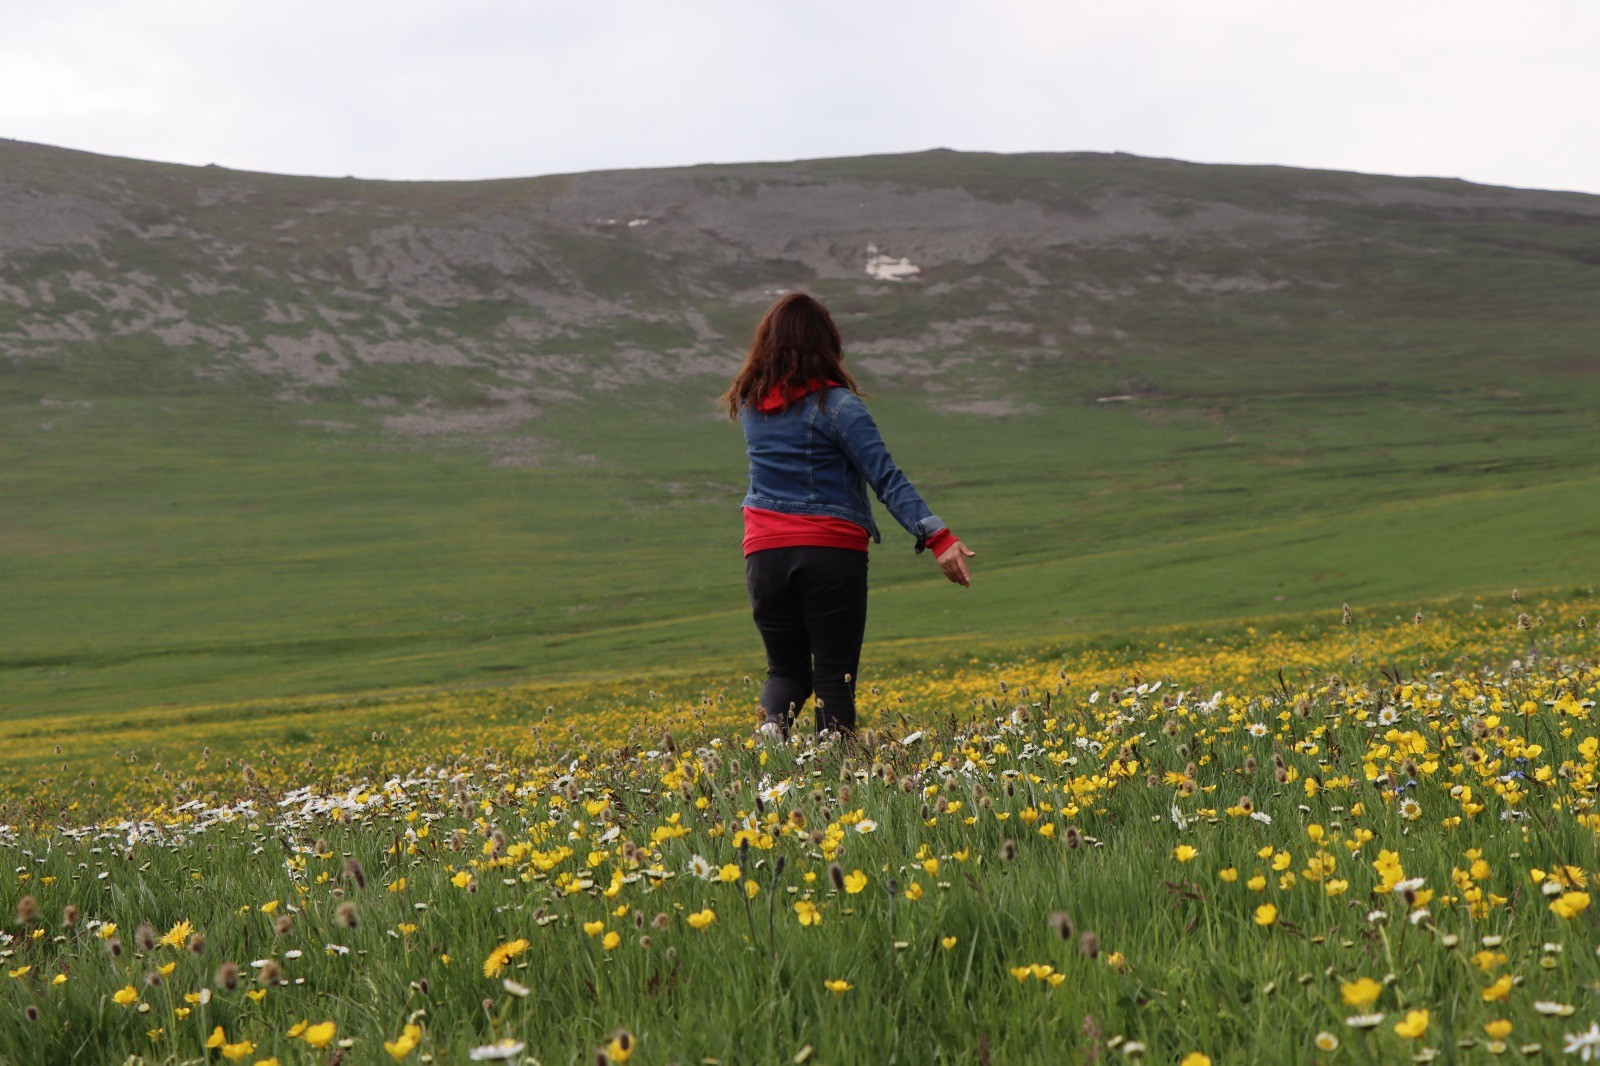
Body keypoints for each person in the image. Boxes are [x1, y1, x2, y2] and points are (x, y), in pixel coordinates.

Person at [722, 292, 975, 741]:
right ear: (827, 344)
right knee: (834, 676)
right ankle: (835, 773)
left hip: (764, 555)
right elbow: (887, 478)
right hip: (829, 554)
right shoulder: (839, 408)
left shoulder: (750, 406)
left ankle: (769, 737)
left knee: (785, 671)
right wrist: (938, 537)